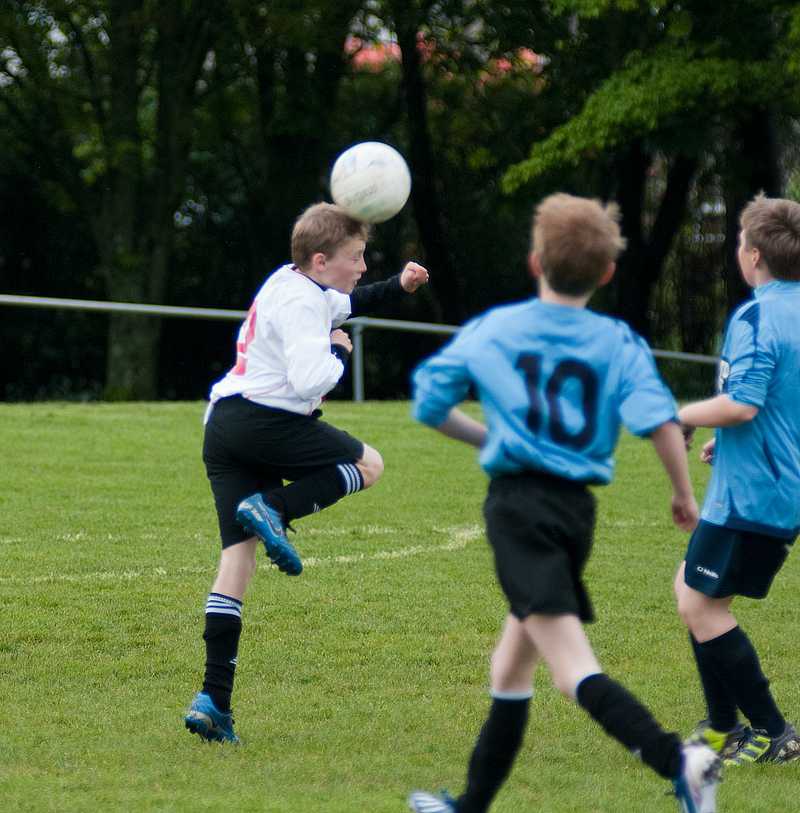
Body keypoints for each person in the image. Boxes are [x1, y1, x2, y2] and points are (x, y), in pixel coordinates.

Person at [408, 192, 722, 813]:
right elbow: (660, 422)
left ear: (534, 262)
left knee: (572, 670)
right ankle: (469, 805)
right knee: (510, 670)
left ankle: (679, 762)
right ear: (607, 273)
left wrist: (491, 438)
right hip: (574, 514)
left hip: (519, 510)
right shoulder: (617, 341)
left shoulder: (496, 328)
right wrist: (683, 493)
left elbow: (430, 402)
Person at [184, 201, 429, 744]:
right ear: (321, 261)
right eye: (356, 257)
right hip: (263, 421)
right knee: (369, 463)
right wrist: (337, 351)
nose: (362, 266)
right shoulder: (301, 302)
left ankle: (213, 701)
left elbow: (348, 302)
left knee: (237, 563)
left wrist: (400, 285)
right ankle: (272, 508)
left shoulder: (294, 282)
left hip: (224, 426)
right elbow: (310, 378)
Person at [674, 193, 800, 766]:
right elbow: (780, 400)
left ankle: (773, 731)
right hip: (773, 484)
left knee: (700, 605)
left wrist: (682, 415)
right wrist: (727, 441)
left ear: (753, 256)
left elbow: (744, 403)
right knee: (693, 590)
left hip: (755, 493)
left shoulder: (756, 316)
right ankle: (723, 726)